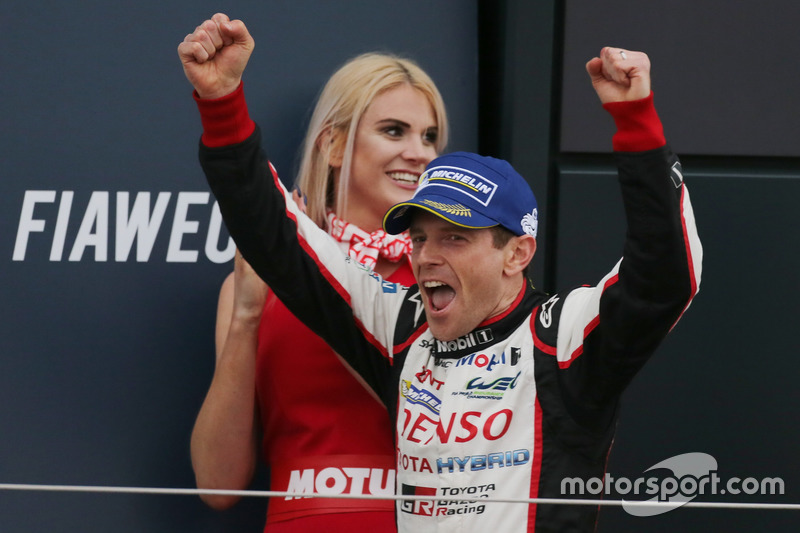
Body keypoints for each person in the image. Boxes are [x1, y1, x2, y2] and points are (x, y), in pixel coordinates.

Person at [183, 14, 703, 533]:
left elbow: (666, 274)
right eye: (419, 237)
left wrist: (636, 120)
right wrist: (222, 103)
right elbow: (276, 235)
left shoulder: (561, 335)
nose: (427, 255)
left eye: (455, 237)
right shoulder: (401, 325)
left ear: (517, 253)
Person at [179, 13, 448, 532]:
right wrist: (247, 315)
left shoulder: (450, 278)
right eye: (395, 130)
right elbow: (217, 485)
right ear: (334, 144)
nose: (419, 153)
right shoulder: (253, 284)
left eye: (430, 136)